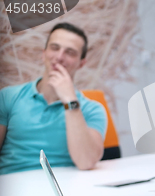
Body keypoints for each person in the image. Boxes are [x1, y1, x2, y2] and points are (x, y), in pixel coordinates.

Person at [0, 22, 107, 174]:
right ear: (44, 54)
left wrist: (70, 101)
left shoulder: (92, 109)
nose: (59, 57)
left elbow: (86, 162)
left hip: (66, 190)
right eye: (55, 48)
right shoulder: (8, 97)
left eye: (70, 52)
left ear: (81, 63)